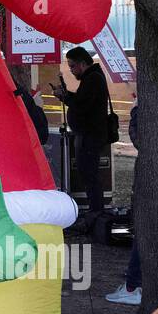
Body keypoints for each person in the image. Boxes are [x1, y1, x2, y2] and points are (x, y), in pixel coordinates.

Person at [53, 46, 110, 221]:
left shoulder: (93, 79)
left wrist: (65, 96)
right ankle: (95, 211)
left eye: (72, 66)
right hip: (86, 134)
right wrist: (66, 95)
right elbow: (81, 100)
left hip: (89, 135)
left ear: (82, 64)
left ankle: (96, 212)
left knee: (90, 174)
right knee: (88, 174)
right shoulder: (90, 78)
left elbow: (82, 105)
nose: (71, 70)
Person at [108, 100, 142, 305]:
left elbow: (139, 139)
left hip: (153, 182)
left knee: (144, 231)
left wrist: (137, 111)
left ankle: (132, 286)